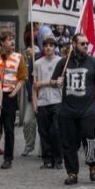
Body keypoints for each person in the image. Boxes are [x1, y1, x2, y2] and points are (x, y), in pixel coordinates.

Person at [52, 34, 95, 185]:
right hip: (68, 111)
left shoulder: (94, 63)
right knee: (69, 143)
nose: (86, 46)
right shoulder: (63, 63)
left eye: (87, 43)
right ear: (74, 44)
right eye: (83, 43)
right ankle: (72, 173)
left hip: (88, 110)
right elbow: (54, 80)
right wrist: (56, 82)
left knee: (89, 139)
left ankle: (92, 166)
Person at [0, 31, 27, 170]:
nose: (12, 42)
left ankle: (8, 159)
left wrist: (14, 92)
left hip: (10, 97)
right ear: (1, 42)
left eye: (13, 39)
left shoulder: (19, 57)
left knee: (9, 128)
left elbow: (23, 77)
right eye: (9, 39)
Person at [32, 36, 63, 169]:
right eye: (46, 46)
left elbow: (61, 83)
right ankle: (47, 159)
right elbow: (34, 85)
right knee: (43, 132)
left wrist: (47, 83)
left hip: (57, 100)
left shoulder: (61, 61)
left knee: (56, 130)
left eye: (51, 45)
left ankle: (58, 159)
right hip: (42, 101)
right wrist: (34, 103)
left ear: (55, 47)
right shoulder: (38, 63)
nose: (48, 48)